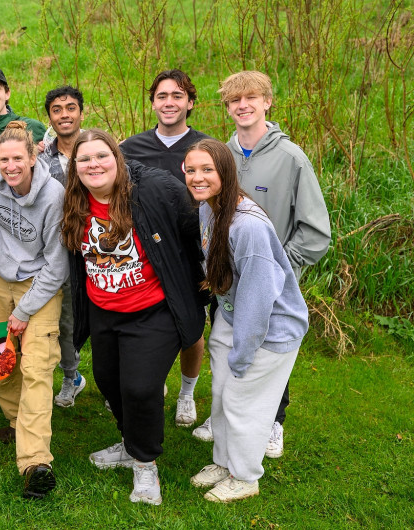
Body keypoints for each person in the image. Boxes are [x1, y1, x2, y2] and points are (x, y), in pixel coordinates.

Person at [63, 129, 207, 506]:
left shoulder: (155, 189)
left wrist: (207, 277)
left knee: (141, 388)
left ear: (118, 157)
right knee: (108, 381)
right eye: (85, 159)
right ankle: (129, 443)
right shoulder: (75, 202)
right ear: (74, 168)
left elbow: (197, 226)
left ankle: (145, 466)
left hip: (152, 309)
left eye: (102, 156)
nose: (94, 164)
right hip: (104, 310)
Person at [197, 70, 330, 458]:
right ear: (227, 108)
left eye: (251, 98)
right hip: (226, 284)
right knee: (228, 346)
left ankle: (273, 421)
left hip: (270, 283)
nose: (243, 106)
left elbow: (316, 231)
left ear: (267, 102)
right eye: (234, 101)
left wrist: (279, 269)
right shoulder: (223, 155)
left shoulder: (291, 158)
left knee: (270, 349)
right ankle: (222, 413)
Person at [183, 139, 308, 502]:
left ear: (226, 171)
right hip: (231, 314)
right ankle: (224, 462)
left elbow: (258, 297)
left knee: (243, 402)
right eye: (191, 170)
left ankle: (245, 476)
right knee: (221, 395)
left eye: (207, 170)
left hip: (268, 328)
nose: (198, 177)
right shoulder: (209, 208)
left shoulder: (248, 226)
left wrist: (243, 352)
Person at [120, 69, 213, 428]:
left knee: (190, 327)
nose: (169, 102)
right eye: (162, 96)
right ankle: (153, 382)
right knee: (147, 325)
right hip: (144, 257)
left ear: (190, 102)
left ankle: (187, 393)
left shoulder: (206, 148)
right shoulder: (130, 148)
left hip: (191, 253)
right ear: (153, 102)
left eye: (177, 95)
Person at [0, 121, 68, 499]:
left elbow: (58, 264)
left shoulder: (54, 197)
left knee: (36, 365)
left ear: (33, 157)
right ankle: (19, 423)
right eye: (4, 159)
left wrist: (26, 310)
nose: (11, 166)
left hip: (42, 284)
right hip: (0, 277)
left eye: (18, 158)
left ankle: (35, 462)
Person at [38, 85, 90, 409]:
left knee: (106, 318)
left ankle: (121, 380)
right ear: (50, 117)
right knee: (66, 320)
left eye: (70, 107)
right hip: (61, 249)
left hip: (101, 247)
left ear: (81, 112)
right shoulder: (41, 157)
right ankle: (72, 377)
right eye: (57, 110)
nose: (64, 114)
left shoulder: (98, 147)